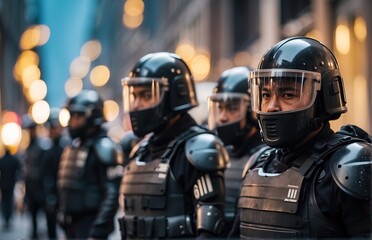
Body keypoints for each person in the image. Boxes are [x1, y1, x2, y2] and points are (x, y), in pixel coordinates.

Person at [238, 36, 372, 238]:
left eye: (288, 95)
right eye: (266, 95)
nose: (272, 106)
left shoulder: (349, 165)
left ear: (322, 99)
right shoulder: (257, 164)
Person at [118, 52, 229, 239]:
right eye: (134, 96)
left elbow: (210, 229)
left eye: (146, 95)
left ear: (175, 96)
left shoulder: (197, 150)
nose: (136, 105)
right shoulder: (142, 151)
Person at [207, 66, 267, 236]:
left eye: (232, 108)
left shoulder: (268, 159)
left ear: (252, 110)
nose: (222, 117)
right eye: (220, 108)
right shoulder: (216, 154)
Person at [57, 90, 123, 239]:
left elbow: (112, 194)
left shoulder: (104, 147)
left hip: (91, 226)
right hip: (73, 226)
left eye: (77, 116)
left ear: (92, 115)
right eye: (71, 116)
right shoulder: (76, 146)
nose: (72, 121)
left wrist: (98, 231)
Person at [40, 108, 69, 239]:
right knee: (51, 227)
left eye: (54, 127)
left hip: (65, 193)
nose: (52, 131)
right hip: (51, 192)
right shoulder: (46, 150)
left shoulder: (66, 147)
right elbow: (44, 173)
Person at [21, 113, 49, 239]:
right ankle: (35, 232)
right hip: (31, 187)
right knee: (33, 215)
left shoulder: (42, 146)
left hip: (41, 188)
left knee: (46, 216)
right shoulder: (28, 148)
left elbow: (44, 169)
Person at [0, 147, 21, 230]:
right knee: (9, 201)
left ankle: (6, 219)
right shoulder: (14, 160)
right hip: (11, 183)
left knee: (4, 202)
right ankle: (8, 219)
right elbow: (19, 169)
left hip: (3, 184)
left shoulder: (2, 160)